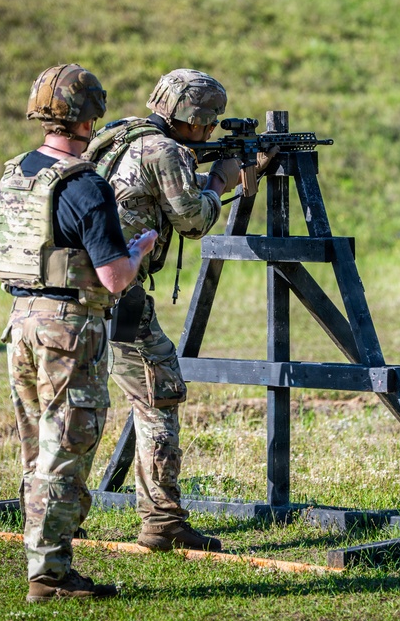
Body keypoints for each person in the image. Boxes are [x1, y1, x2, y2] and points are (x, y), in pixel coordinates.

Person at [83, 68, 277, 552]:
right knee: (159, 390)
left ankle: (52, 515)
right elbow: (192, 221)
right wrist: (220, 179)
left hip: (79, 283)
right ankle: (163, 520)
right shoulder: (164, 151)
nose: (211, 130)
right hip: (116, 290)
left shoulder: (121, 132)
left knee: (76, 403)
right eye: (208, 122)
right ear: (189, 118)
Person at [0, 63, 156, 602]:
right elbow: (113, 278)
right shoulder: (86, 185)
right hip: (69, 328)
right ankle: (49, 575)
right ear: (90, 118)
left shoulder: (18, 172)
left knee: (37, 447)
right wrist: (139, 251)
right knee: (67, 444)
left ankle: (44, 552)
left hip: (21, 323)